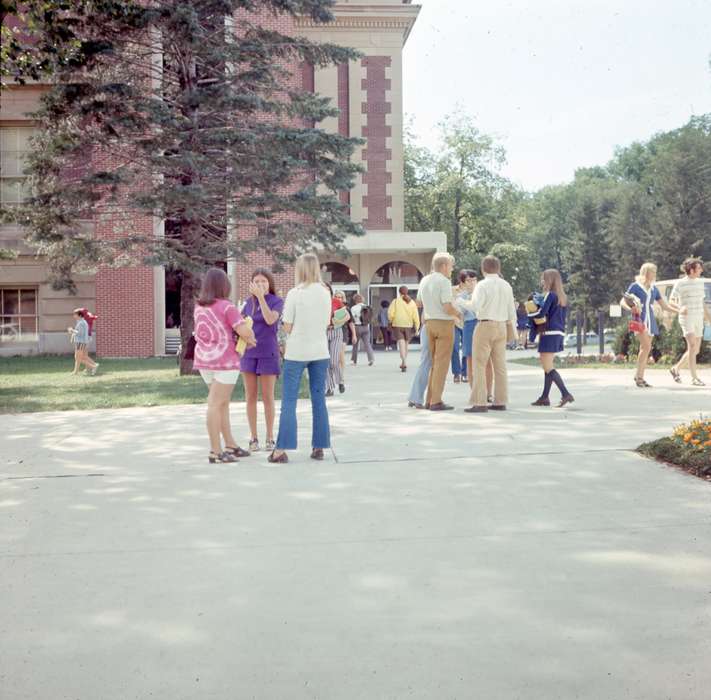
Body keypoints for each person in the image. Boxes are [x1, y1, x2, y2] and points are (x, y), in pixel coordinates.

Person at [269, 253, 332, 464]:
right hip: (320, 351)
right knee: (318, 400)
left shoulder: (295, 293)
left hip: (296, 352)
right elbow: (325, 322)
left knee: (289, 400)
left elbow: (287, 325)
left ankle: (281, 449)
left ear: (300, 270)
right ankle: (319, 446)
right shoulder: (325, 293)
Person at [193, 267, 257, 463]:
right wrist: (250, 335)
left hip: (205, 361)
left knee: (222, 404)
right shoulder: (227, 307)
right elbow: (244, 332)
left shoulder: (199, 307)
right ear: (224, 286)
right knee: (215, 404)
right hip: (225, 362)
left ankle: (230, 444)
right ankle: (215, 451)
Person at [463, 255, 516, 413]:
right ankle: (500, 401)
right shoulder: (506, 285)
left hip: (485, 325)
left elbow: (474, 305)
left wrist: (459, 302)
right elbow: (511, 311)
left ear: (483, 268)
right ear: (498, 268)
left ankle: (480, 402)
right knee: (500, 365)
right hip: (501, 326)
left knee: (479, 364)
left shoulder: (482, 285)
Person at [240, 268, 284, 452]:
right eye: (256, 282)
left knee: (268, 397)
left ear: (269, 283)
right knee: (250, 396)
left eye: (263, 281)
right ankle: (253, 437)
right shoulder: (247, 304)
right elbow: (240, 326)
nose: (260, 284)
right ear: (251, 285)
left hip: (268, 352)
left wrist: (261, 298)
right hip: (249, 353)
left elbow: (269, 320)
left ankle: (269, 437)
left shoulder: (277, 301)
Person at [622, 262, 679, 388]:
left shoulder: (654, 288)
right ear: (646, 272)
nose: (655, 274)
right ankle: (639, 377)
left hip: (651, 320)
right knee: (647, 347)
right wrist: (629, 308)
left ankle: (639, 376)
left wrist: (679, 311)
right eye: (653, 271)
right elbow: (623, 301)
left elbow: (664, 306)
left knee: (644, 349)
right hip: (639, 319)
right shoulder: (635, 286)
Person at [418, 252, 462, 410]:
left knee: (433, 364)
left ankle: (429, 400)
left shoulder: (424, 280)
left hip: (429, 323)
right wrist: (459, 314)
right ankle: (436, 401)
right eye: (451, 266)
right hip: (444, 324)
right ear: (443, 266)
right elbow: (447, 307)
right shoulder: (444, 281)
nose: (452, 269)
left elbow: (419, 302)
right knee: (442, 364)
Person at [529, 270, 574, 407]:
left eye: (543, 279)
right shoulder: (562, 297)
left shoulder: (550, 295)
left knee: (548, 367)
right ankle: (544, 397)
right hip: (558, 332)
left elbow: (541, 313)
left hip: (548, 333)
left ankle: (565, 394)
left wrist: (529, 313)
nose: (542, 282)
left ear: (549, 280)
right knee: (547, 367)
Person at [670, 257, 711, 386]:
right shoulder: (680, 283)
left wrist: (708, 318)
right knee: (692, 346)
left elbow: (702, 302)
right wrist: (679, 308)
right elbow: (671, 300)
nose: (701, 270)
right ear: (691, 270)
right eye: (699, 268)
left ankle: (675, 369)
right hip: (686, 318)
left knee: (695, 350)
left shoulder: (700, 283)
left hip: (698, 318)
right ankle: (694, 378)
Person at [454, 270, 478, 388]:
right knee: (468, 355)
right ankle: (472, 387)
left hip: (481, 323)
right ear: (463, 283)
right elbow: (460, 313)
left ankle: (486, 391)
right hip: (468, 325)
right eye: (469, 280)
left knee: (483, 357)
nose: (472, 283)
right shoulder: (461, 296)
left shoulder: (481, 292)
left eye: (474, 280)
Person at [388, 285, 420, 372]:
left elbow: (390, 314)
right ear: (407, 292)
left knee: (401, 344)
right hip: (408, 326)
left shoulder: (395, 301)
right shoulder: (412, 303)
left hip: (398, 324)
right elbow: (416, 316)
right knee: (406, 345)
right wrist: (417, 327)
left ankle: (403, 361)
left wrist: (391, 320)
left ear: (399, 292)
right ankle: (404, 361)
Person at [326, 283, 348, 396]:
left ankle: (340, 381)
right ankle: (329, 388)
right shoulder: (316, 303)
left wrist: (336, 323)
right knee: (325, 362)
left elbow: (347, 316)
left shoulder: (336, 302)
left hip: (336, 332)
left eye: (326, 289)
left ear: (330, 291)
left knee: (334, 361)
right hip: (323, 333)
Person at [68, 308, 99, 376]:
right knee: (79, 357)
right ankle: (77, 372)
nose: (74, 316)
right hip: (80, 342)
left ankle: (93, 366)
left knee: (78, 358)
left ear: (79, 315)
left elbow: (80, 333)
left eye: (75, 314)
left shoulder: (82, 322)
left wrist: (72, 330)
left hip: (80, 342)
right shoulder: (81, 322)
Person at [350, 294, 375, 365]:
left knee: (355, 344)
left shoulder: (353, 308)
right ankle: (371, 359)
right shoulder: (367, 307)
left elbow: (352, 318)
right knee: (367, 344)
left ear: (355, 300)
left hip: (357, 327)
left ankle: (354, 361)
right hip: (366, 327)